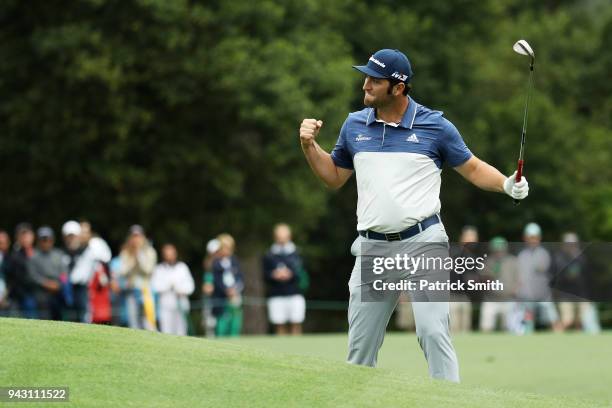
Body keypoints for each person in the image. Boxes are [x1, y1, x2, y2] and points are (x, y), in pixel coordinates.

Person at [299, 48, 529, 382]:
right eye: (366, 77)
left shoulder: (434, 126)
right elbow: (333, 177)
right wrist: (310, 146)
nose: (365, 85)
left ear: (398, 87)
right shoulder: (354, 126)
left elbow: (474, 169)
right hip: (373, 249)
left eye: (375, 80)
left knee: (433, 332)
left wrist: (507, 185)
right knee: (360, 348)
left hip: (424, 243)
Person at [516, 223, 562, 333]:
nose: (532, 240)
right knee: (527, 325)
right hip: (526, 296)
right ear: (525, 238)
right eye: (530, 237)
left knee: (553, 319)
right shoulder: (521, 255)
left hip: (543, 295)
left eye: (535, 237)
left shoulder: (544, 254)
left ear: (539, 238)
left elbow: (545, 271)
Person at [262, 223, 307, 335]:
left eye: (284, 236)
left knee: (296, 323)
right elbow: (265, 275)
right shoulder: (269, 254)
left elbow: (301, 273)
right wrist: (274, 275)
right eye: (279, 236)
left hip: (295, 293)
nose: (281, 239)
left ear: (289, 236)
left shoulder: (297, 252)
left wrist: (291, 274)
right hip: (276, 294)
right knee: (279, 324)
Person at [551, 232, 600, 333]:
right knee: (567, 320)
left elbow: (587, 278)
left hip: (581, 295)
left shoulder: (581, 258)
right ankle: (554, 335)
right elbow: (561, 277)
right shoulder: (559, 258)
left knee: (581, 321)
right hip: (565, 295)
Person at [118, 225, 157, 330]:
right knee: (133, 321)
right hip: (131, 290)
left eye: (138, 236)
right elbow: (122, 272)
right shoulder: (125, 253)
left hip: (146, 291)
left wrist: (139, 255)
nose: (136, 239)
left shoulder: (150, 251)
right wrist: (132, 260)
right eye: (134, 236)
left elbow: (148, 270)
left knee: (148, 321)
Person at [152, 243, 195, 336]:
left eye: (171, 253)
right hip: (165, 305)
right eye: (167, 254)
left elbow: (190, 286)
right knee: (166, 331)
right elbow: (155, 286)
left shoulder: (182, 267)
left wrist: (180, 289)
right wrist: (169, 285)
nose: (169, 256)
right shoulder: (159, 269)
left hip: (181, 304)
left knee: (181, 331)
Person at [479, 236, 520, 333]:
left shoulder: (513, 261)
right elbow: (482, 282)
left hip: (508, 299)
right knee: (485, 328)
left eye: (500, 249)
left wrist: (515, 290)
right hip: (491, 299)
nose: (499, 252)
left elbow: (519, 279)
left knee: (508, 329)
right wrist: (490, 276)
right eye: (496, 250)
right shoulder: (487, 262)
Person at [210, 234, 244, 337]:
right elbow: (217, 281)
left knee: (235, 318)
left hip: (235, 294)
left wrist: (235, 289)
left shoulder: (234, 261)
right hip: (221, 297)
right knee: (222, 320)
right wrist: (226, 290)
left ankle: (235, 338)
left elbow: (240, 277)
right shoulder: (215, 263)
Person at [29, 226, 64, 320]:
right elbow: (33, 276)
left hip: (58, 292)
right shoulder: (34, 257)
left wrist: (60, 284)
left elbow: (64, 274)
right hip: (42, 293)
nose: (46, 242)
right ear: (39, 241)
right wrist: (46, 284)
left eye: (48, 239)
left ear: (52, 240)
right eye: (43, 240)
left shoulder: (59, 255)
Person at [4, 223, 38, 318]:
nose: (25, 238)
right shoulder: (13, 254)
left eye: (27, 235)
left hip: (33, 295)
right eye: (22, 235)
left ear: (32, 236)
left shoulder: (37, 254)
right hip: (15, 295)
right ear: (17, 237)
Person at [449, 226, 479, 333]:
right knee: (453, 329)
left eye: (473, 238)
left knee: (465, 329)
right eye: (469, 237)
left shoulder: (473, 258)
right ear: (462, 238)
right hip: (451, 297)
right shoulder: (453, 253)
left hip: (465, 297)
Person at [0, 230, 11, 311]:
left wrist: (5, 296)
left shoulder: (12, 259)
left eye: (3, 242)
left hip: (8, 295)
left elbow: (13, 281)